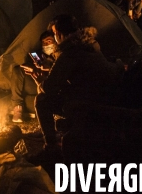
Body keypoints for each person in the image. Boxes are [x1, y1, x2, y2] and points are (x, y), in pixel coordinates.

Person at [29, 14, 124, 165]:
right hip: (106, 96)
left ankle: (51, 148)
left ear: (59, 34)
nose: (54, 38)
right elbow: (81, 76)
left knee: (42, 100)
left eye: (54, 34)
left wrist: (40, 80)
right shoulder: (90, 45)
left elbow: (49, 88)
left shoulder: (70, 53)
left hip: (90, 103)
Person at [11, 31, 57, 123]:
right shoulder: (38, 54)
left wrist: (45, 68)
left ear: (55, 41)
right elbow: (30, 68)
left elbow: (59, 72)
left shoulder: (59, 55)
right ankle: (18, 108)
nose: (46, 44)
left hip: (49, 83)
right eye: (44, 43)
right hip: (36, 80)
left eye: (48, 41)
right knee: (17, 70)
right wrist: (32, 67)